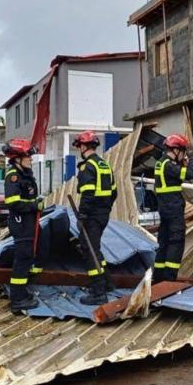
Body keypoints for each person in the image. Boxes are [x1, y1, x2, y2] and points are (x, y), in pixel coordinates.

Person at [73, 131, 117, 305]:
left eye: (79, 147)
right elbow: (114, 192)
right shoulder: (104, 165)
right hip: (103, 213)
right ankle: (107, 283)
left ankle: (98, 292)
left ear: (83, 147)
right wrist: (105, 208)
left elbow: (88, 193)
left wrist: (83, 215)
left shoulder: (88, 166)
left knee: (89, 250)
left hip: (91, 215)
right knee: (95, 248)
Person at [2, 138, 43, 313]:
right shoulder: (14, 176)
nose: (31, 159)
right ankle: (18, 299)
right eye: (28, 156)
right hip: (21, 223)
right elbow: (13, 203)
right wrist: (35, 206)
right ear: (18, 158)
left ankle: (22, 292)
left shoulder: (25, 174)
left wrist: (36, 203)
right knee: (22, 258)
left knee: (27, 258)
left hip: (29, 222)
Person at [153, 134, 193, 282]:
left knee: (164, 243)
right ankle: (169, 280)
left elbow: (174, 177)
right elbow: (190, 174)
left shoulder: (161, 163)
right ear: (177, 150)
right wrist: (191, 159)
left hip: (164, 209)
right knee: (176, 242)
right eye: (183, 151)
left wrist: (182, 163)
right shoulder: (169, 165)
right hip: (173, 209)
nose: (184, 154)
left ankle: (158, 279)